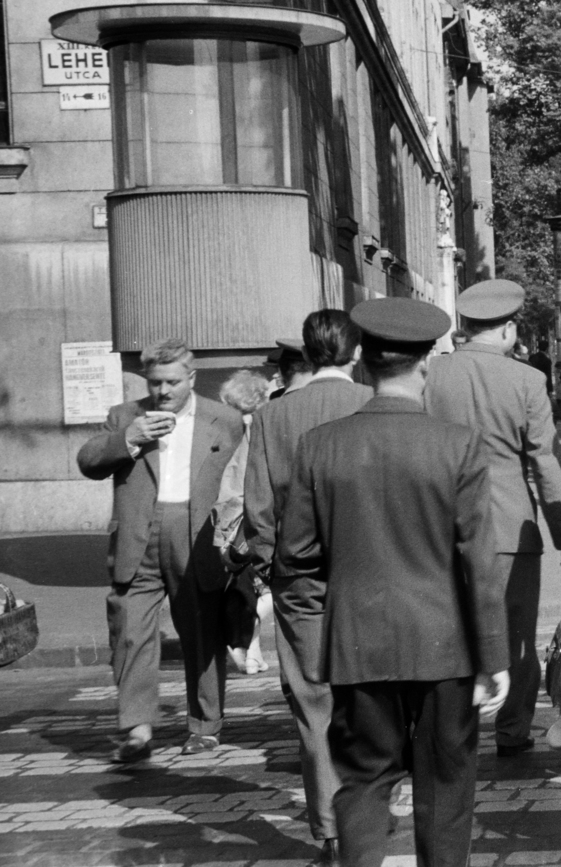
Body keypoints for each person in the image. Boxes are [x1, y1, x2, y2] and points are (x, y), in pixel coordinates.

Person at [277, 298, 509, 867]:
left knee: (362, 780)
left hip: (356, 644)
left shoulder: (319, 446)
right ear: (425, 365)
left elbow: (295, 560)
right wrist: (494, 656)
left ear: (363, 364)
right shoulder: (457, 445)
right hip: (445, 646)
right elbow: (477, 563)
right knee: (447, 785)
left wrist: (318, 637)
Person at [240, 309, 374, 866]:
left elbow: (259, 506)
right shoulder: (372, 406)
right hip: (373, 573)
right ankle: (370, 815)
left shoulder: (275, 418)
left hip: (301, 579)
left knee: (314, 703)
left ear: (309, 354)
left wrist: (269, 565)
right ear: (355, 353)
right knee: (370, 698)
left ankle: (330, 830)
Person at [76, 339, 245, 763]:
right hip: (137, 534)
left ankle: (204, 726)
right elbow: (88, 461)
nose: (162, 392)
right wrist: (127, 440)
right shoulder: (125, 416)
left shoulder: (223, 419)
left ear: (191, 378)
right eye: (154, 383)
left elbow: (241, 478)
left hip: (196, 532)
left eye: (172, 382)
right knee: (130, 631)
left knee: (202, 630)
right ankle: (137, 727)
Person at [424, 278, 561, 758]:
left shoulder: (433, 374)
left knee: (452, 626)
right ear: (508, 330)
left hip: (443, 522)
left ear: (465, 327)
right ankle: (513, 729)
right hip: (510, 525)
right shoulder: (527, 380)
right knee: (516, 634)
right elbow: (545, 462)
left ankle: (453, 727)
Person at [213, 370, 274, 676]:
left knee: (247, 587)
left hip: (226, 519)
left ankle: (251, 652)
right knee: (266, 590)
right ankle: (243, 639)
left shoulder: (224, 428)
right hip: (250, 517)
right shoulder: (256, 427)